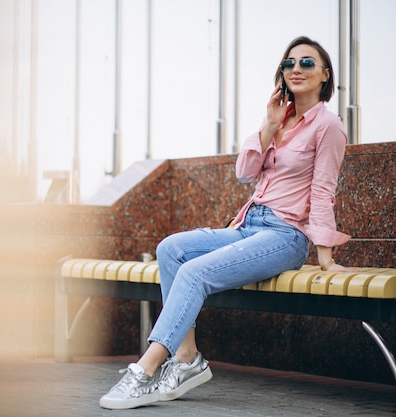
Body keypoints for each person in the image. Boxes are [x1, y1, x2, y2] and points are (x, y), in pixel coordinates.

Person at [99, 35, 351, 410]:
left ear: (325, 74)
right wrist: (269, 125)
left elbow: (323, 190)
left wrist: (325, 255)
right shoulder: (279, 121)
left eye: (307, 63)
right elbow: (244, 172)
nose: (296, 69)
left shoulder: (328, 126)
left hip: (285, 236)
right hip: (249, 226)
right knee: (171, 248)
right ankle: (186, 359)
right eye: (289, 63)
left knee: (194, 273)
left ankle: (145, 369)